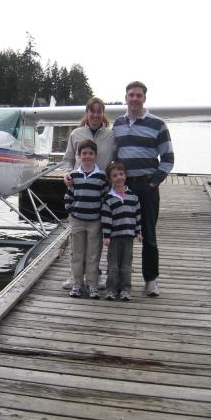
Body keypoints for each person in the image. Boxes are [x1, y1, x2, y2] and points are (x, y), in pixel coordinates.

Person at [113, 81, 174, 297]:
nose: (135, 99)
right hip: (124, 187)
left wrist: (153, 182)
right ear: (126, 98)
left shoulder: (158, 124)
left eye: (139, 95)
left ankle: (151, 279)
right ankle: (121, 278)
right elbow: (113, 156)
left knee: (149, 234)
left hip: (147, 186)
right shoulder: (118, 124)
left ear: (144, 98)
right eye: (131, 95)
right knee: (121, 233)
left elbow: (168, 159)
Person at [62, 97, 115, 290]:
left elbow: (114, 161)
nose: (95, 115)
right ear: (87, 113)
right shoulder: (76, 133)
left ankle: (95, 276)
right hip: (79, 190)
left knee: (95, 243)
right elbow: (68, 159)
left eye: (99, 111)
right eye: (92, 111)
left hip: (99, 191)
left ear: (103, 114)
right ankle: (74, 277)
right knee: (76, 242)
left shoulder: (110, 135)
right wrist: (67, 174)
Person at [63, 139, 107, 299]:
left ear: (95, 156)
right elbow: (69, 195)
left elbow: (104, 198)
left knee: (92, 254)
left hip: (95, 221)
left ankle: (92, 284)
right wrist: (71, 210)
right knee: (77, 253)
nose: (87, 156)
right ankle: (77, 283)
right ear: (79, 156)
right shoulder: (73, 175)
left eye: (90, 153)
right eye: (84, 154)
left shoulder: (101, 176)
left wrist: (102, 216)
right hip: (77, 220)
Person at [101, 161, 142, 301]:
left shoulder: (133, 197)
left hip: (129, 237)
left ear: (125, 175)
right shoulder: (108, 198)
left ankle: (125, 289)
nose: (119, 177)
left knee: (126, 265)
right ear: (110, 179)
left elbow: (137, 216)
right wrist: (106, 235)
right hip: (114, 238)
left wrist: (138, 232)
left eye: (121, 174)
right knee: (112, 265)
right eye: (114, 175)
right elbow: (106, 219)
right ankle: (111, 289)